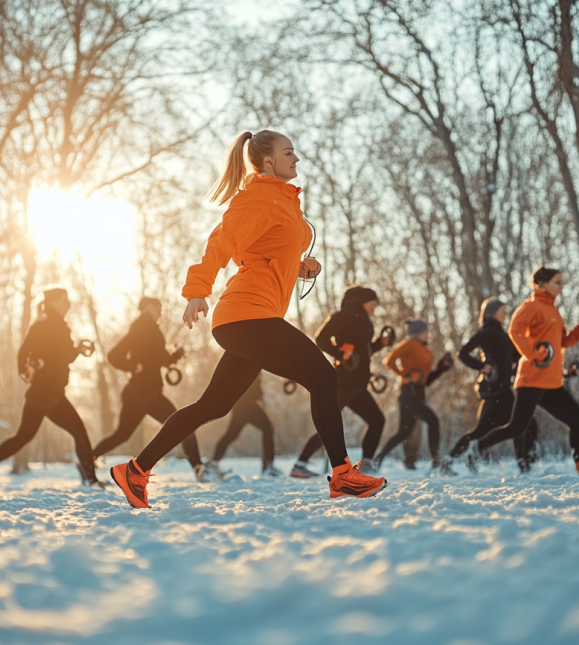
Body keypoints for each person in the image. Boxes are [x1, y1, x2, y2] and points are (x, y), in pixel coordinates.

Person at [109, 130, 386, 508]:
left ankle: (134, 471)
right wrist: (197, 291)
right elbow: (221, 241)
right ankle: (342, 475)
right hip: (246, 314)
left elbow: (264, 252)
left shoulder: (284, 200)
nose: (297, 158)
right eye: (289, 152)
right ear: (268, 161)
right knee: (324, 377)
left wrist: (300, 267)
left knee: (213, 406)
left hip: (253, 316)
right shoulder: (258, 197)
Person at [465, 267, 579, 474]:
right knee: (516, 427)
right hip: (532, 379)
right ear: (543, 284)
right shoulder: (530, 306)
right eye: (558, 282)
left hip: (552, 382)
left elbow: (563, 341)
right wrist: (531, 354)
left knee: (578, 419)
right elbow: (515, 330)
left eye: (562, 282)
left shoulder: (553, 309)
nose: (561, 287)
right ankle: (478, 446)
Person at [0, 287, 100, 489]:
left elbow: (62, 355)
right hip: (47, 392)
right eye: (64, 301)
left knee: (24, 436)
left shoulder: (58, 325)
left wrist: (77, 349)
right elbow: (25, 353)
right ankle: (91, 479)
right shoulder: (44, 325)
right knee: (79, 431)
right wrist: (26, 372)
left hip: (47, 392)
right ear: (52, 303)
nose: (68, 305)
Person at [91, 297, 213, 481]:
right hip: (141, 393)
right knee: (182, 425)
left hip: (147, 393)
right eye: (158, 308)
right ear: (147, 307)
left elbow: (156, 358)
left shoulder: (150, 329)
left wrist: (174, 356)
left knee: (124, 434)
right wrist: (133, 366)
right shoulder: (141, 328)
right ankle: (198, 467)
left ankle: (88, 458)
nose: (161, 312)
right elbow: (113, 356)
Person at [291, 285, 393, 478]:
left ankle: (367, 465)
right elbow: (320, 338)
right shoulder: (343, 316)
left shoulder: (364, 320)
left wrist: (380, 343)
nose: (375, 307)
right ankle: (300, 465)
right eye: (373, 303)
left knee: (377, 420)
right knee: (330, 424)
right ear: (362, 301)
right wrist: (339, 353)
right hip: (344, 382)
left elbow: (363, 350)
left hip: (359, 384)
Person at [437, 297, 539, 474]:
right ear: (491, 313)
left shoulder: (505, 336)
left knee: (513, 426)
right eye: (502, 310)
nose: (506, 313)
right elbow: (463, 353)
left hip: (503, 390)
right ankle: (523, 463)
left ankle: (523, 462)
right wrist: (481, 366)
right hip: (495, 391)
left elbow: (518, 358)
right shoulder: (486, 333)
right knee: (522, 424)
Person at [370, 318, 453, 472]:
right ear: (417, 332)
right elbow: (389, 360)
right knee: (432, 420)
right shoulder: (409, 344)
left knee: (405, 431)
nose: (427, 332)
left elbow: (426, 380)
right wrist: (404, 374)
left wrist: (442, 368)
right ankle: (435, 461)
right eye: (424, 330)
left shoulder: (427, 350)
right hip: (408, 392)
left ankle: (378, 458)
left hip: (419, 392)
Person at [210, 374, 279, 476]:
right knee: (268, 428)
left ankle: (213, 464)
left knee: (231, 435)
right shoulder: (255, 359)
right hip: (247, 404)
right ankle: (268, 466)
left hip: (240, 404)